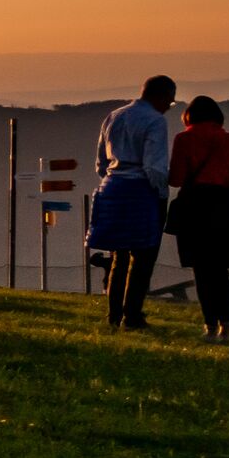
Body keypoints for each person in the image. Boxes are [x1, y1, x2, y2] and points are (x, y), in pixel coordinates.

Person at [89, 73, 177, 329]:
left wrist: (112, 178)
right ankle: (133, 315)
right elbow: (154, 166)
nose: (168, 108)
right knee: (143, 256)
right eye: (169, 103)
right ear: (160, 97)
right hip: (141, 190)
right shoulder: (155, 121)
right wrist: (161, 193)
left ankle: (114, 314)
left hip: (112, 188)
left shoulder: (115, 116)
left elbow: (101, 162)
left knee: (118, 254)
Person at [167, 94, 229, 343]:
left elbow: (176, 179)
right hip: (221, 209)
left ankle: (210, 326)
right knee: (220, 271)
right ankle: (227, 327)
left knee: (201, 271)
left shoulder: (184, 139)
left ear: (189, 116)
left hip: (194, 209)